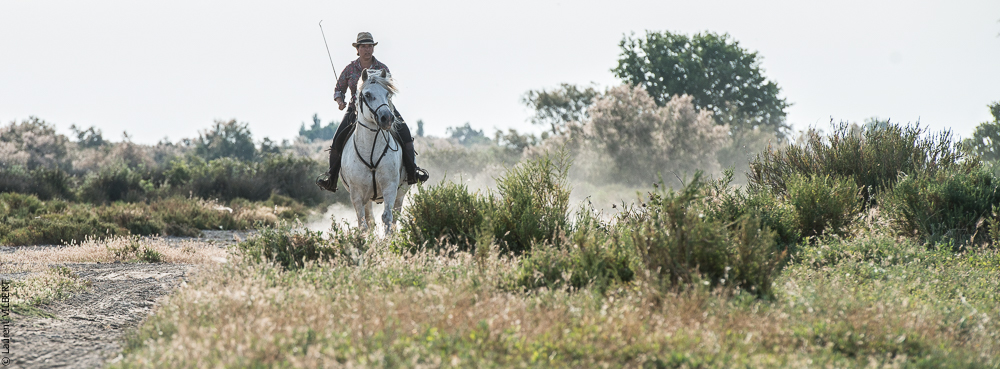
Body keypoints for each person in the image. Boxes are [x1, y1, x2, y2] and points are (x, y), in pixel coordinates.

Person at [316, 32, 428, 192]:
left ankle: (412, 172)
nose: (367, 49)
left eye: (370, 46)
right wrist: (340, 102)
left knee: (405, 135)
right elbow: (338, 90)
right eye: (363, 46)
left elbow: (390, 90)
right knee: (337, 141)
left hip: (383, 108)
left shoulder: (382, 68)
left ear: (373, 48)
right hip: (356, 110)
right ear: (357, 49)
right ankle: (331, 179)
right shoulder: (349, 69)